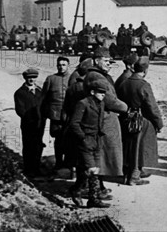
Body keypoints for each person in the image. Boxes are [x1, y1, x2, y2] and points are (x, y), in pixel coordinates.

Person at [84, 47, 128, 192]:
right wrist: (126, 107)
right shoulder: (96, 77)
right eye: (106, 61)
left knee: (103, 154)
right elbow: (110, 101)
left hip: (105, 120)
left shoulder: (99, 75)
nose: (109, 64)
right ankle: (94, 189)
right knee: (101, 155)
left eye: (110, 62)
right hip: (102, 121)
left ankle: (99, 186)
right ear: (97, 61)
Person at [117, 57, 164, 185]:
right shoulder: (144, 85)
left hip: (125, 119)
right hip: (139, 121)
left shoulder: (124, 83)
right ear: (145, 70)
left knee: (128, 147)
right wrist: (159, 123)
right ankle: (134, 176)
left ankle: (126, 174)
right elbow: (152, 107)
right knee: (139, 148)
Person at [68, 80, 110, 208]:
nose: (103, 95)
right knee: (91, 169)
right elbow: (74, 123)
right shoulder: (83, 104)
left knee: (94, 170)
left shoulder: (101, 104)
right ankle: (77, 190)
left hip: (97, 141)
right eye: (100, 92)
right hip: (85, 142)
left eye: (104, 93)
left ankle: (93, 199)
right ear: (92, 92)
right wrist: (83, 138)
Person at [14, 68, 46, 179]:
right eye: (29, 78)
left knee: (38, 144)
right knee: (28, 145)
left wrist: (42, 118)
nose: (31, 79)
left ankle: (37, 167)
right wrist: (30, 119)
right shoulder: (20, 93)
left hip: (40, 123)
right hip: (28, 124)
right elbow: (20, 110)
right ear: (25, 78)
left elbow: (44, 107)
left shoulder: (40, 91)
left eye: (33, 77)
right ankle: (28, 169)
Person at [41, 56, 71, 171]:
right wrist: (44, 113)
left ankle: (68, 163)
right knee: (58, 139)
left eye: (63, 65)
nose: (61, 67)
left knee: (69, 139)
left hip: (69, 115)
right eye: (59, 65)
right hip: (56, 115)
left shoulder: (72, 79)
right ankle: (59, 162)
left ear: (68, 66)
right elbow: (44, 97)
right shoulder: (51, 79)